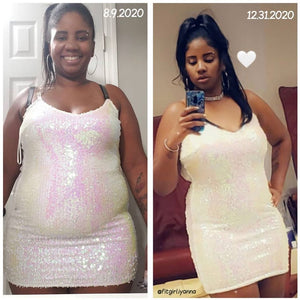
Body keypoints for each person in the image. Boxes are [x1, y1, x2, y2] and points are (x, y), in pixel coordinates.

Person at [3, 3, 147, 294]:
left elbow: (137, 171)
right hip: (31, 244)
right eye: (61, 36)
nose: (71, 44)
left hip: (109, 244)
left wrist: (153, 246)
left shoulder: (113, 98)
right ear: (49, 44)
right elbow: (4, 176)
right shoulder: (25, 101)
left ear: (93, 46)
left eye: (81, 36)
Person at [153, 13, 291, 298]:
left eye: (209, 57)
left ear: (223, 59)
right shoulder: (177, 114)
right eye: (192, 61)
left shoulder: (248, 100)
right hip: (216, 234)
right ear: (184, 66)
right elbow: (163, 187)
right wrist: (173, 140)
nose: (201, 67)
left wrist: (277, 184)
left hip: (265, 224)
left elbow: (282, 139)